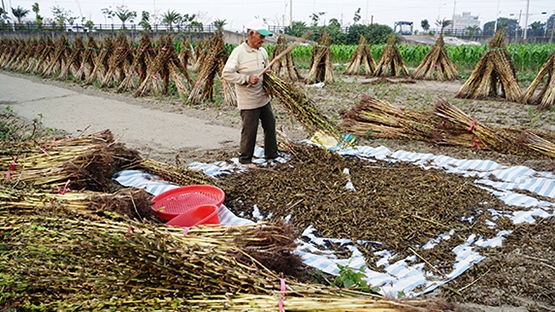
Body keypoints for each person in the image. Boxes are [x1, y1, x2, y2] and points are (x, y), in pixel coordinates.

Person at [222, 18, 278, 168]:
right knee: (250, 129)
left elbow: (266, 70)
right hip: (248, 100)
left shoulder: (263, 52)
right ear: (251, 34)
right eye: (261, 36)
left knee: (270, 123)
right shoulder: (239, 52)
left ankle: (271, 154)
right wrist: (246, 78)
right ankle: (245, 160)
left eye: (264, 37)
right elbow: (226, 73)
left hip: (263, 97)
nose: (263, 40)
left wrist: (268, 79)